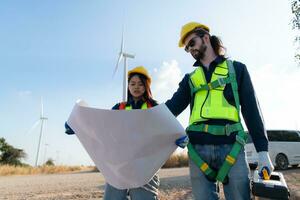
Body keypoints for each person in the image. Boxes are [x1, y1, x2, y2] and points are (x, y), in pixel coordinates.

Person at [167, 22, 274, 200]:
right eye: (187, 48)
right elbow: (171, 108)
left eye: (192, 43)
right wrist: (149, 120)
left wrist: (263, 151)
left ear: (206, 38)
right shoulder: (190, 79)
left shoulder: (237, 69)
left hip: (233, 145)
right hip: (197, 150)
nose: (190, 50)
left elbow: (251, 110)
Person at [65, 66, 160, 200]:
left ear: (146, 86)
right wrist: (76, 124)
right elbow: (102, 124)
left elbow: (166, 127)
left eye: (140, 84)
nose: (136, 87)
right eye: (132, 84)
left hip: (145, 164)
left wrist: (177, 136)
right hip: (120, 163)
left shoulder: (155, 107)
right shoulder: (119, 107)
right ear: (128, 86)